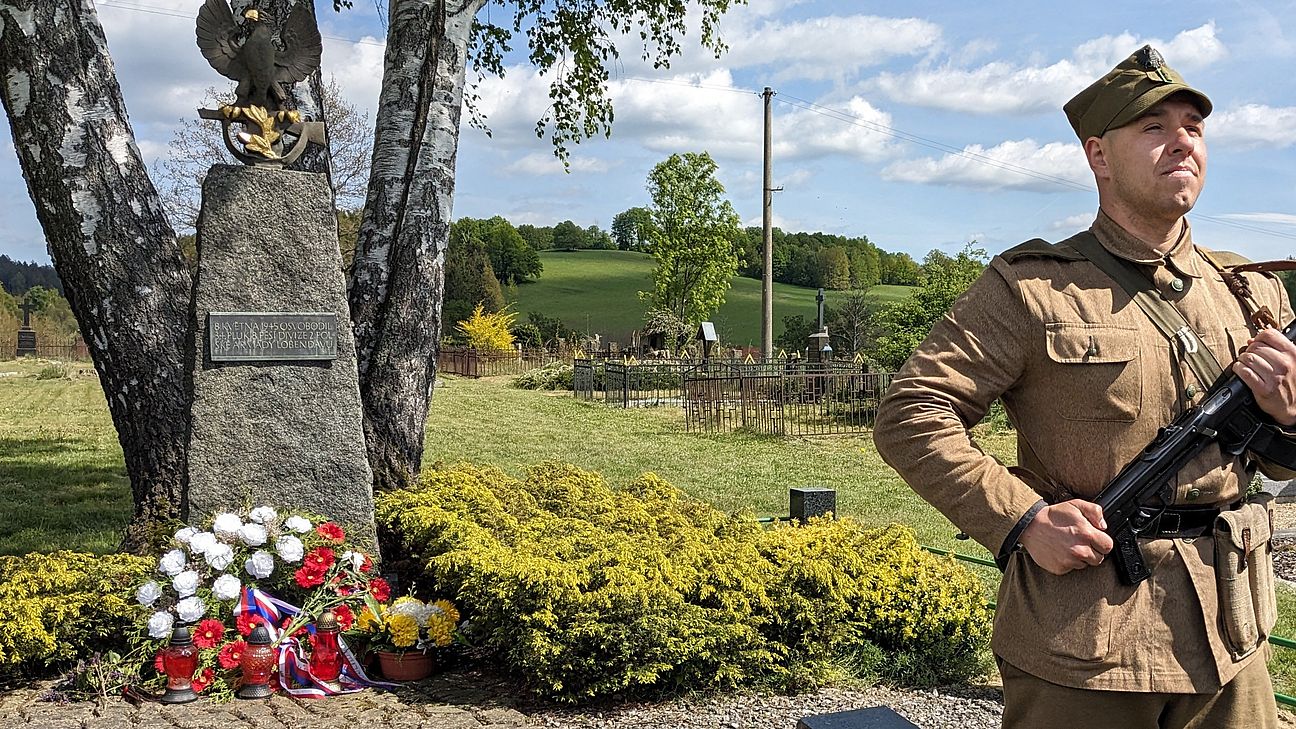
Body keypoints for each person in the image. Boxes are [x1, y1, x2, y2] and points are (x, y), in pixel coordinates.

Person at [872, 45, 1296, 729]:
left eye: (1192, 126)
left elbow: (1275, 460)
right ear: (1099, 156)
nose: (1181, 142)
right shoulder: (1032, 287)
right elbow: (912, 412)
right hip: (1084, 642)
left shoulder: (1247, 292)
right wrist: (1023, 518)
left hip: (1230, 638)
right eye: (1153, 128)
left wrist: (1290, 412)